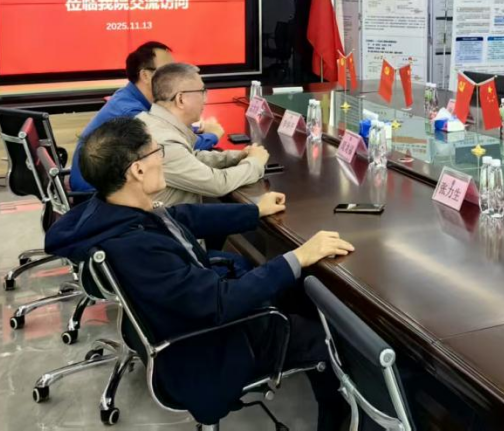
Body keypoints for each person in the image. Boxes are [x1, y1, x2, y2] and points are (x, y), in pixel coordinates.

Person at [45, 118, 353, 430]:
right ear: (137, 170)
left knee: (294, 288)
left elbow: (181, 217)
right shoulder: (135, 247)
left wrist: (254, 211)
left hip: (192, 317)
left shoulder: (114, 211)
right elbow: (220, 302)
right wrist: (298, 256)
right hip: (209, 349)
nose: (162, 158)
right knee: (329, 339)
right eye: (157, 152)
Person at [68, 41, 221, 192]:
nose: (175, 75)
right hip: (95, 195)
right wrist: (213, 135)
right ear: (145, 75)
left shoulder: (128, 96)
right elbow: (170, 149)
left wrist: (194, 130)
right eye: (166, 69)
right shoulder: (131, 113)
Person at [138, 62, 269, 207]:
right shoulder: (163, 142)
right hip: (166, 221)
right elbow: (217, 184)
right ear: (181, 99)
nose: (205, 99)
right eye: (202, 92)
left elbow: (190, 158)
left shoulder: (149, 121)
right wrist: (255, 163)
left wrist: (235, 157)